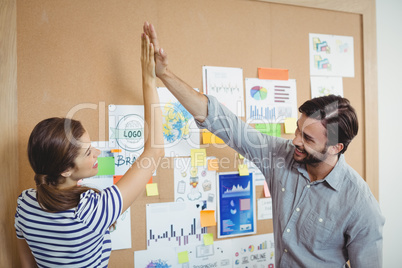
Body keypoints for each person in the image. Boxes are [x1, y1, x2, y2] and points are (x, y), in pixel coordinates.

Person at [143, 22, 385, 267]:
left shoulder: (360, 205)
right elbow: (220, 120)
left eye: (308, 138)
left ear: (336, 147)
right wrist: (164, 74)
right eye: (297, 130)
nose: (295, 141)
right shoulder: (282, 156)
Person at [14, 33, 164, 267]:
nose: (97, 153)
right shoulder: (90, 212)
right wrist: (149, 78)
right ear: (64, 170)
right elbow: (154, 151)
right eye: (87, 153)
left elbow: (27, 264)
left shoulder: (25, 204)